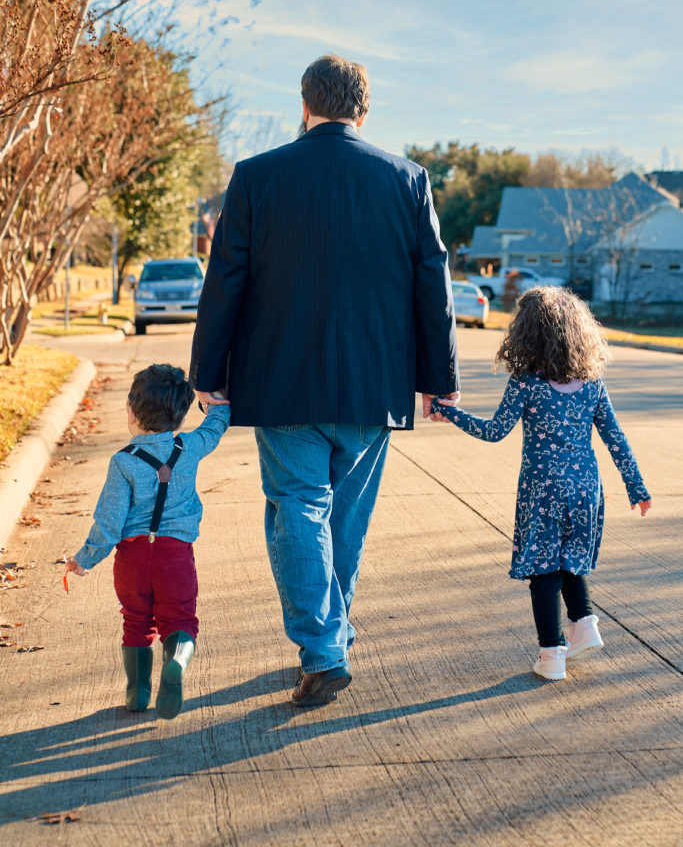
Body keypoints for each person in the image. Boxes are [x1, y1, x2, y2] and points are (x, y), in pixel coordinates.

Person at [191, 54, 459, 706]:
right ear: (363, 112)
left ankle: (323, 648)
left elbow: (223, 280)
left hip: (280, 381)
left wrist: (208, 372)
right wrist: (438, 377)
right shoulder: (407, 179)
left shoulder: (257, 177)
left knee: (297, 512)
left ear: (304, 104)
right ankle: (329, 640)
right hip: (373, 385)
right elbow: (433, 280)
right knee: (342, 519)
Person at [433, 286, 651, 682]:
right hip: (586, 488)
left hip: (543, 489)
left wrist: (453, 414)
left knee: (543, 569)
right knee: (570, 557)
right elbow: (616, 439)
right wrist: (637, 489)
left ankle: (551, 655)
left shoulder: (526, 383)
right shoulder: (592, 384)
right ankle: (584, 624)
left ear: (525, 335)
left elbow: (495, 431)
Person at [65, 364, 230, 718]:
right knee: (180, 621)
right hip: (175, 557)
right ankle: (177, 665)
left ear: (130, 411)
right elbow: (215, 429)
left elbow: (108, 522)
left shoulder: (122, 462)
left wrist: (85, 558)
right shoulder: (190, 446)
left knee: (136, 621)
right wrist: (218, 404)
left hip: (132, 559)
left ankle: (137, 693)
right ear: (181, 419)